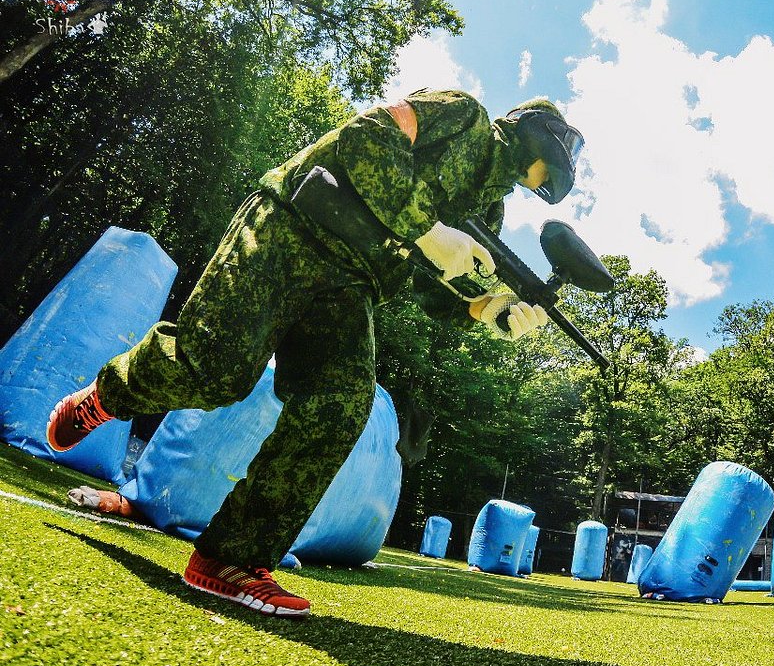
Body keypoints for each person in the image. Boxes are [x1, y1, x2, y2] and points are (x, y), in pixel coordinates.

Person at [45, 90, 585, 617]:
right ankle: (106, 396)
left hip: (351, 283)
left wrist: (492, 310)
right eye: (548, 169)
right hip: (294, 222)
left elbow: (435, 293)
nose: (540, 181)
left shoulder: (486, 209)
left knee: (340, 406)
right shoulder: (462, 116)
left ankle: (230, 558)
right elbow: (367, 134)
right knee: (213, 370)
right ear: (536, 139)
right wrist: (426, 228)